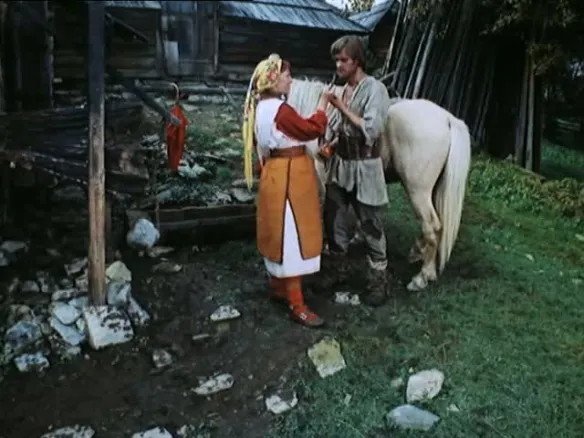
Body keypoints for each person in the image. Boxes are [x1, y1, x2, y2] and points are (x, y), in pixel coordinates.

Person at [242, 54, 330, 328]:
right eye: (286, 75)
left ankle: (278, 287)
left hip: (274, 172)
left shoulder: (260, 108)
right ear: (273, 79)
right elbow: (310, 129)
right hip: (291, 176)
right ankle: (296, 304)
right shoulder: (281, 110)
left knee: (278, 232)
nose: (290, 80)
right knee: (292, 236)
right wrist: (323, 105)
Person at [321, 35, 391, 307]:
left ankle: (378, 281)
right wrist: (330, 143)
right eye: (336, 60)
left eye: (344, 60)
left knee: (370, 224)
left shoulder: (375, 89)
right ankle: (338, 270)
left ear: (357, 61)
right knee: (334, 220)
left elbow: (371, 129)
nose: (338, 65)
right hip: (341, 165)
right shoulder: (343, 89)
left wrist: (340, 107)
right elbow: (343, 128)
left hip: (365, 167)